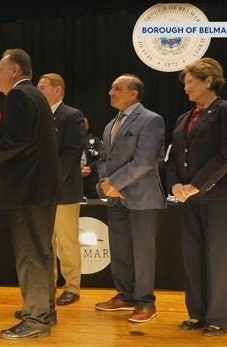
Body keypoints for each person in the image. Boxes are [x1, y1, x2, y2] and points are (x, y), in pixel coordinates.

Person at [0, 49, 62, 339]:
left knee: (30, 254)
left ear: (15, 71)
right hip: (41, 189)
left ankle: (35, 320)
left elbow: (15, 141)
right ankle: (45, 309)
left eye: (0, 69)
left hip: (27, 190)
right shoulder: (37, 96)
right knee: (42, 252)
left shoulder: (19, 97)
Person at [166, 57, 227, 336]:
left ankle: (218, 318)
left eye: (191, 82)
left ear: (208, 81)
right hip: (188, 197)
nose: (186, 88)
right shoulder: (183, 118)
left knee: (218, 258)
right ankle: (197, 314)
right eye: (185, 83)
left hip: (219, 196)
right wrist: (176, 184)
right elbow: (173, 157)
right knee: (192, 256)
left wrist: (197, 184)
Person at [95, 74, 165, 323]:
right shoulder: (109, 125)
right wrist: (106, 184)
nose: (111, 92)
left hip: (143, 199)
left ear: (133, 94)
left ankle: (146, 302)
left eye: (117, 88)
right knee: (121, 251)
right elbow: (103, 158)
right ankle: (125, 296)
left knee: (143, 253)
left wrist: (114, 183)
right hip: (116, 199)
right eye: (112, 88)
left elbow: (144, 161)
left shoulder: (151, 120)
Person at [37, 73, 87, 306]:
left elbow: (72, 153)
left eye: (42, 87)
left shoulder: (72, 115)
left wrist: (52, 182)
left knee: (66, 241)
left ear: (58, 90)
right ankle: (47, 285)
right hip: (40, 192)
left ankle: (72, 287)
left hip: (63, 190)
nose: (38, 91)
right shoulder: (37, 115)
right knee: (45, 242)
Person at [81, 118, 103, 199]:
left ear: (87, 126)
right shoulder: (68, 141)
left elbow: (102, 158)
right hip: (74, 178)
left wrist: (90, 167)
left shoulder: (95, 140)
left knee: (94, 204)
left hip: (91, 177)